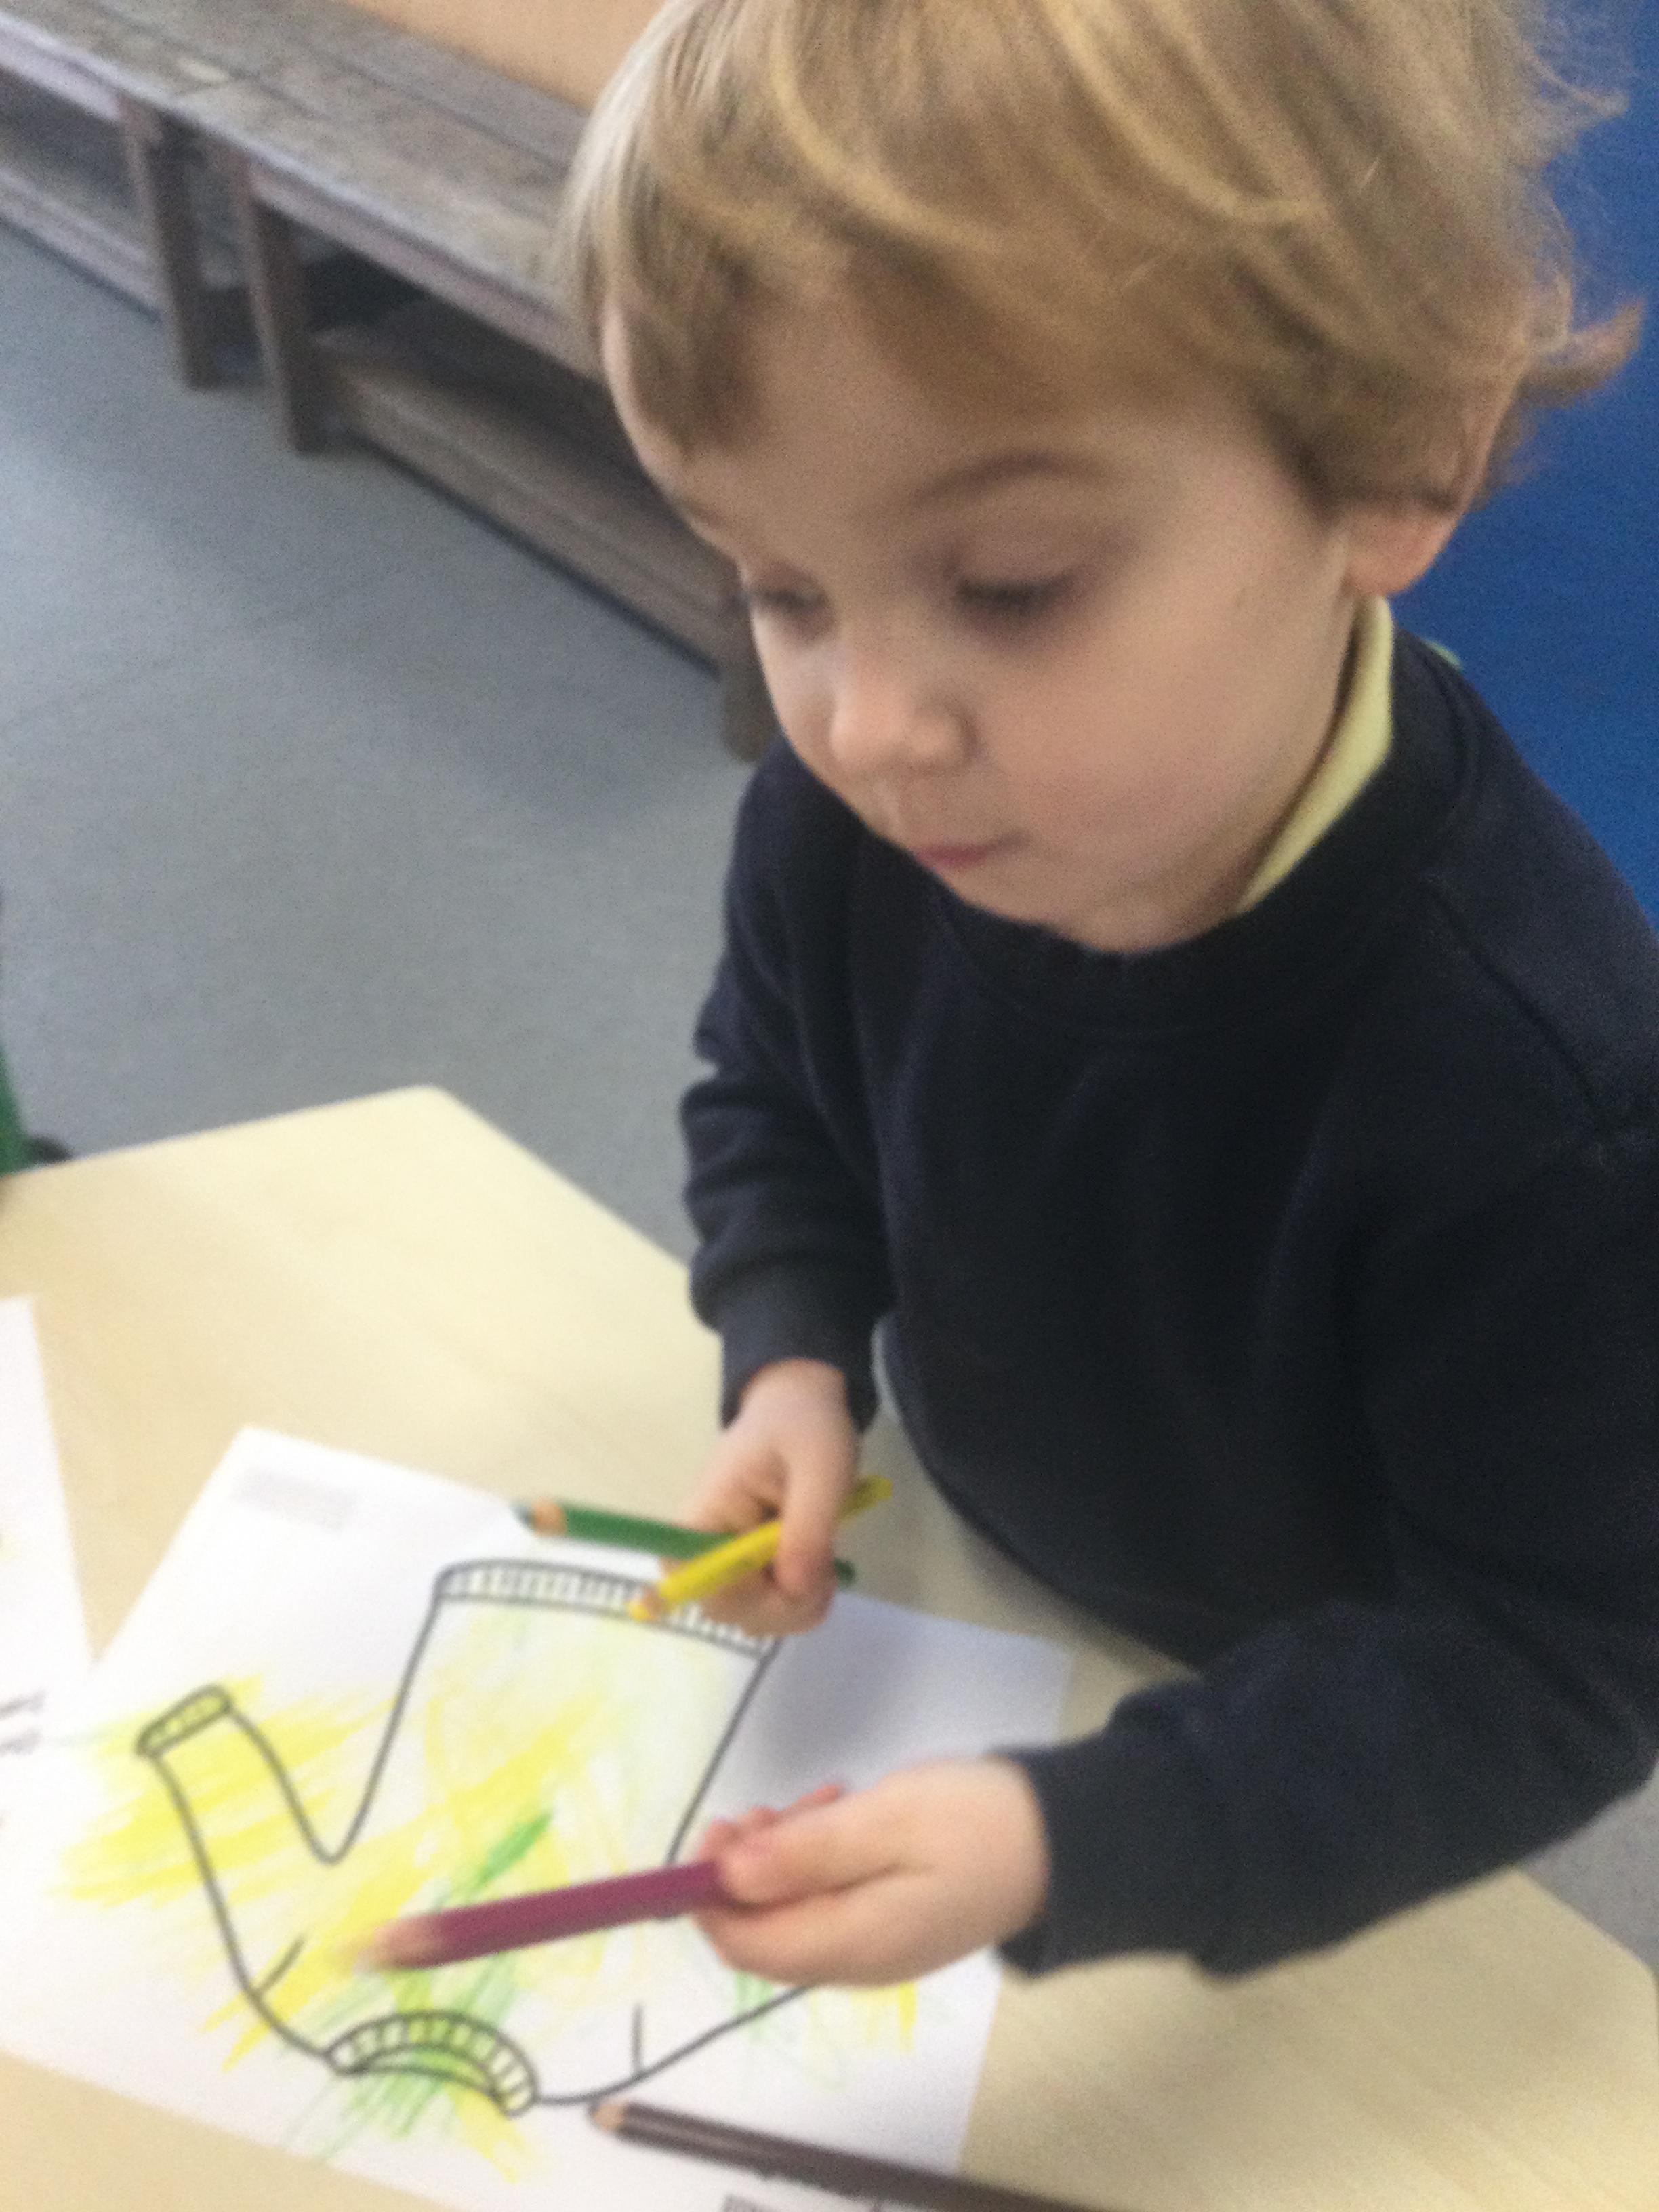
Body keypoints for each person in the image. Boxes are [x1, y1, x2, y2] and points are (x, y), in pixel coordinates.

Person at [555, 0, 1658, 1986]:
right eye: (781, 589)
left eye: (1011, 585)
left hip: (1288, 1745)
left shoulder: (1543, 1088)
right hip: (969, 1590)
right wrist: (791, 1348)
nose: (866, 725)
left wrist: (1079, 1841)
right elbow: (777, 1094)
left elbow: (1556, 1655)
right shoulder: (859, 820)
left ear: (1400, 458)